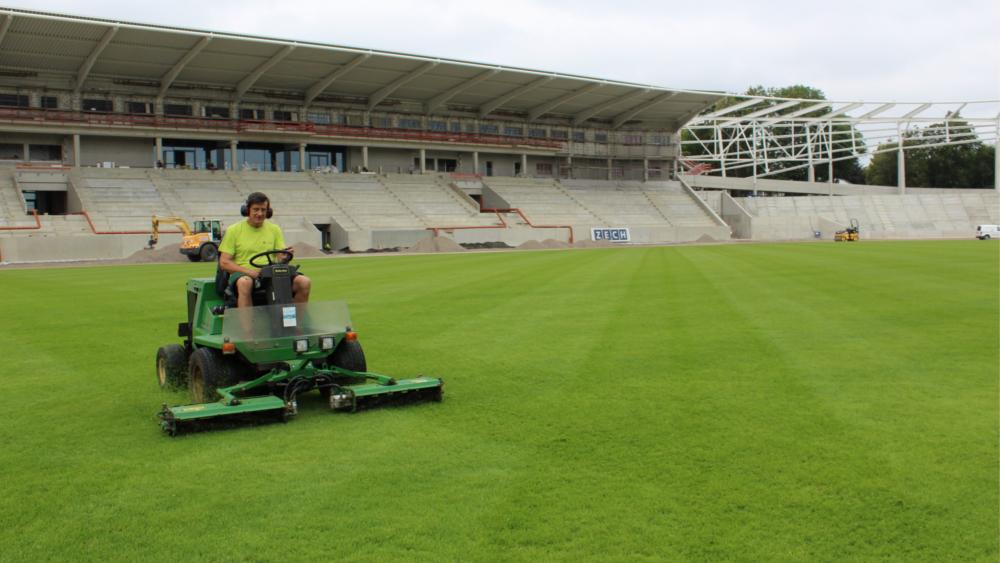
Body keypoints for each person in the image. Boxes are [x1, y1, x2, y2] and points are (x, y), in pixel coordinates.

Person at [218, 192, 311, 308]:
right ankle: (248, 326)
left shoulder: (274, 229)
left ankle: (294, 324)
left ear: (268, 211)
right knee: (245, 283)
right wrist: (250, 272)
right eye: (256, 209)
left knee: (304, 282)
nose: (260, 214)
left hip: (270, 274)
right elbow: (224, 263)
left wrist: (284, 257)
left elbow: (281, 258)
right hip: (245, 274)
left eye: (263, 210)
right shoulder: (234, 230)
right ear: (247, 210)